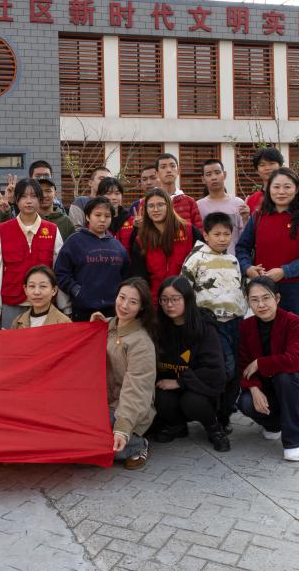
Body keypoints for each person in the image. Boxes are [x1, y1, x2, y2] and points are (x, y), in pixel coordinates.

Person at [236, 167, 299, 376]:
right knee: (267, 339)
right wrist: (248, 268)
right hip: (263, 290)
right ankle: (270, 381)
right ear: (268, 189)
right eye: (276, 187)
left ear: (296, 189)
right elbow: (242, 248)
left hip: (296, 291)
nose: (281, 192)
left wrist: (285, 271)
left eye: (287, 187)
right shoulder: (258, 217)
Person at [237, 276, 299, 462]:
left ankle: (294, 439)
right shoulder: (246, 326)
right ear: (248, 302)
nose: (261, 304)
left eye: (266, 298)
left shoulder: (294, 322)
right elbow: (243, 364)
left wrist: (260, 363)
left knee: (285, 376)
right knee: (245, 402)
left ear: (277, 298)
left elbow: (296, 361)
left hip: (292, 386)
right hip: (264, 386)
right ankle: (274, 424)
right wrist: (253, 388)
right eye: (254, 300)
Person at [181, 212, 246, 430]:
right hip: (211, 325)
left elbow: (239, 289)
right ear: (206, 235)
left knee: (236, 367)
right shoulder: (196, 259)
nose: (222, 239)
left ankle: (226, 411)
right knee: (225, 368)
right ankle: (216, 411)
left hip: (235, 323)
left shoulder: (233, 260)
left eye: (227, 234)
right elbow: (184, 291)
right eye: (217, 234)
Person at [151, 276, 229, 452]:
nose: (169, 305)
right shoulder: (158, 327)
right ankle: (177, 426)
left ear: (187, 298)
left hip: (200, 388)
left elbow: (215, 370)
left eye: (175, 299)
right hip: (170, 385)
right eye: (164, 299)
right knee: (160, 396)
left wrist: (180, 382)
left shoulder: (204, 326)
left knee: (191, 401)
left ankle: (214, 428)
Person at [91, 278, 157, 470]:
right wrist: (92, 329)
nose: (124, 305)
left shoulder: (141, 343)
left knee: (94, 443)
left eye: (133, 302)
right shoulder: (108, 326)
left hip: (129, 408)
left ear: (141, 307)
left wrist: (122, 428)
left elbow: (136, 390)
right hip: (101, 402)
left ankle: (136, 445)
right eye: (122, 297)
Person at [0, 178, 65, 328]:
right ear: (16, 200)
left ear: (40, 200)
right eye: (23, 196)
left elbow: (59, 268)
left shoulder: (52, 230)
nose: (29, 201)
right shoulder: (3, 230)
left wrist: (63, 303)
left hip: (44, 303)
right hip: (12, 302)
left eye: (33, 196)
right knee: (12, 341)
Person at [55, 196, 129, 322]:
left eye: (107, 216)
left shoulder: (117, 246)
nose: (102, 219)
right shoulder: (75, 242)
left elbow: (126, 276)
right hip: (83, 310)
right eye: (97, 215)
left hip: (113, 310)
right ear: (88, 217)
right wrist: (77, 291)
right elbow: (61, 272)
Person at [125, 189, 203, 300]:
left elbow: (203, 263)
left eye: (160, 205)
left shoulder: (189, 231)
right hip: (156, 301)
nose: (155, 209)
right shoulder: (141, 239)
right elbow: (140, 277)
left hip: (186, 299)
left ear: (169, 206)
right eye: (151, 206)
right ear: (146, 209)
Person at [197, 159, 247, 252]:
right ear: (203, 179)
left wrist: (246, 219)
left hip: (234, 258)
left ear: (224, 175)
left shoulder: (238, 203)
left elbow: (245, 237)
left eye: (217, 173)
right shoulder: (198, 206)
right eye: (208, 174)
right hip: (207, 259)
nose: (214, 177)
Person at [156, 153, 203, 230]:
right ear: (157, 173)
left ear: (178, 171)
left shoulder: (190, 202)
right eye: (163, 167)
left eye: (172, 166)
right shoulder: (148, 202)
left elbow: (199, 231)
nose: (168, 170)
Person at [244, 147, 284, 214]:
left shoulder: (289, 195)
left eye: (271, 163)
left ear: (280, 166)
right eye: (262, 165)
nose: (267, 168)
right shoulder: (251, 200)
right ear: (257, 171)